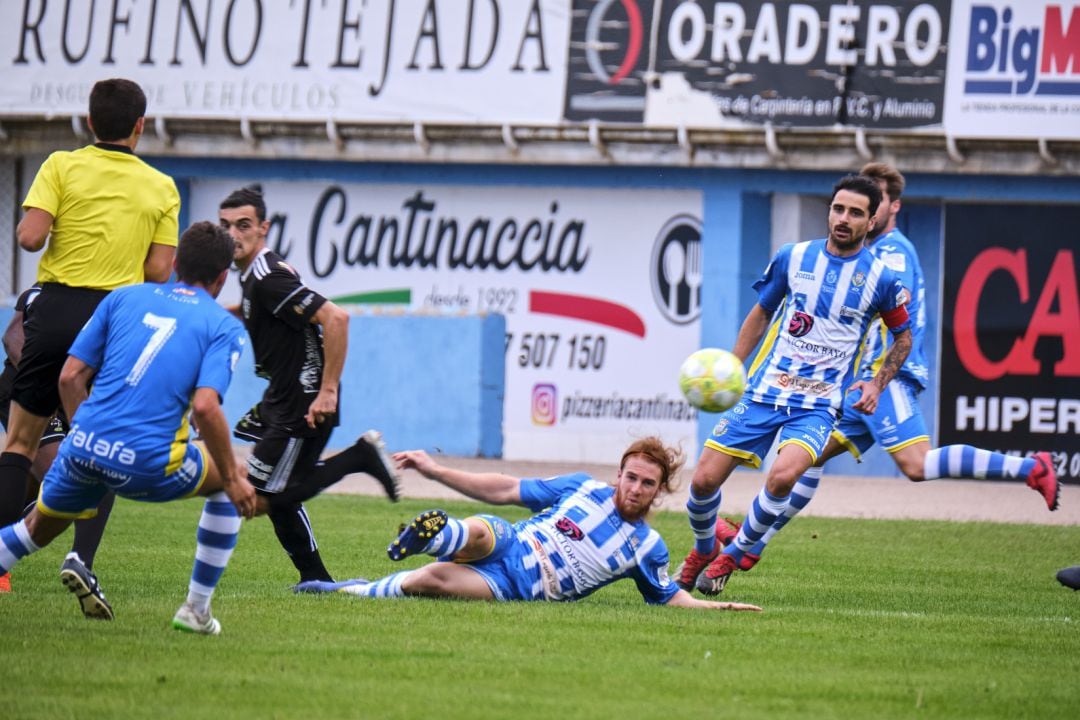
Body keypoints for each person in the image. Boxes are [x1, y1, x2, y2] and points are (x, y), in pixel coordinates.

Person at [723, 163, 1060, 572]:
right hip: (852, 385)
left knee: (916, 465)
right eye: (844, 206)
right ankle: (750, 545)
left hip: (881, 379)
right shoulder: (855, 252)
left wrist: (876, 380)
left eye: (871, 202)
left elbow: (892, 322)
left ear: (889, 207)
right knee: (804, 462)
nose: (855, 212)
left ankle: (1031, 468)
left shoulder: (891, 253)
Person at [0, 222, 257, 635]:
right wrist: (231, 475)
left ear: (174, 263)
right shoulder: (222, 325)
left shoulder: (124, 298)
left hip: (82, 445)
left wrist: (84, 435)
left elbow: (69, 378)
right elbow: (207, 408)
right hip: (150, 461)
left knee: (33, 532)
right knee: (230, 483)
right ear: (223, 277)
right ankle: (196, 610)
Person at [677, 174, 914, 597]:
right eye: (838, 208)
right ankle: (704, 548)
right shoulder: (794, 257)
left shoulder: (881, 279)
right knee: (702, 483)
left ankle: (736, 554)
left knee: (782, 479)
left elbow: (903, 337)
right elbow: (762, 311)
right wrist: (734, 362)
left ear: (872, 221)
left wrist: (878, 384)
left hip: (818, 404)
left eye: (856, 213)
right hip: (764, 393)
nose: (843, 218)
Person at [0, 78, 179, 608]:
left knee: (19, 443)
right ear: (140, 126)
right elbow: (160, 270)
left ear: (90, 120)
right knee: (99, 446)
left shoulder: (60, 165)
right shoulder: (161, 186)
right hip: (115, 320)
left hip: (55, 310)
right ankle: (82, 561)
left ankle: (1, 570)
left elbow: (31, 237)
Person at [295, 438, 761, 611]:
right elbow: (503, 488)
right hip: (511, 544)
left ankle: (341, 591)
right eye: (631, 477)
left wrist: (717, 609)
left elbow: (666, 595)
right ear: (618, 475)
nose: (636, 488)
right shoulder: (580, 488)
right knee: (479, 531)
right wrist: (436, 471)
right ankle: (434, 535)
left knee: (427, 583)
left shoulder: (648, 547)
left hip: (517, 589)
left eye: (647, 483)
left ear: (658, 491)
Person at [219, 186, 400, 588]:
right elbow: (259, 311)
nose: (233, 234)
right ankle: (314, 578)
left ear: (263, 228)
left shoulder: (267, 279)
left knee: (257, 498)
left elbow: (336, 319)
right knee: (273, 490)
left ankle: (359, 457)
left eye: (243, 225)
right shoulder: (255, 276)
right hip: (283, 399)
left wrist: (328, 391)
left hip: (303, 403)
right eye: (225, 225)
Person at [0, 286, 115, 614]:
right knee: (69, 473)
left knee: (38, 483)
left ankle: (81, 564)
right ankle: (75, 561)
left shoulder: (110, 295)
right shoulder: (43, 290)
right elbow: (11, 338)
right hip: (25, 391)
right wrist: (48, 380)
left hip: (71, 394)